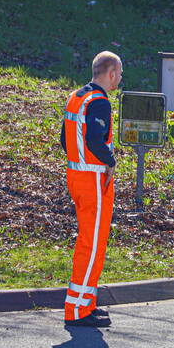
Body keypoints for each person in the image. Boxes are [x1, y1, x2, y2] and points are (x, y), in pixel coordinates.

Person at [59, 51, 123, 328]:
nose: (119, 79)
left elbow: (65, 139)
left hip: (77, 174)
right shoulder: (99, 102)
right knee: (92, 243)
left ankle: (86, 302)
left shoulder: (77, 96)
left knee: (91, 241)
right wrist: (110, 161)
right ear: (110, 73)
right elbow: (95, 139)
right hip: (93, 180)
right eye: (119, 74)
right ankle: (77, 310)